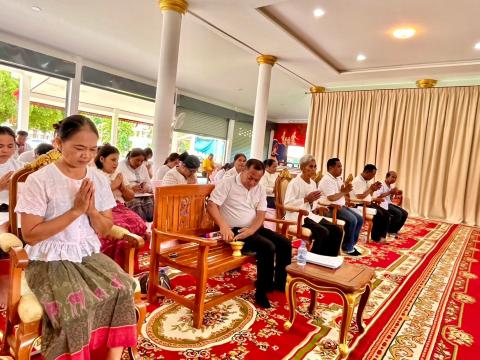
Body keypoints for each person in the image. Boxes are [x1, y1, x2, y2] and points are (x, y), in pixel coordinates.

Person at [15, 115, 137, 360]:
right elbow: (30, 234)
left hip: (86, 254)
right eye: (79, 148)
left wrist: (90, 210)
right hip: (49, 258)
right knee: (74, 308)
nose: (86, 156)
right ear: (58, 143)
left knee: (124, 288)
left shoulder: (98, 180)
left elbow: (104, 229)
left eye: (92, 149)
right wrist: (75, 211)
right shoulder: (40, 180)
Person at [207, 159, 292, 308]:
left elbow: (261, 213)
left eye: (256, 179)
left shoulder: (259, 188)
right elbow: (211, 204)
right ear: (244, 170)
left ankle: (278, 284)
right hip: (235, 231)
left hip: (253, 228)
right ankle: (262, 291)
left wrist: (252, 229)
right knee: (267, 247)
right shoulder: (228, 183)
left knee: (284, 243)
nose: (252, 182)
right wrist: (223, 226)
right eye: (250, 177)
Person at [95, 144, 147, 265]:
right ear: (102, 159)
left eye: (117, 160)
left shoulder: (118, 174)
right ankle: (113, 264)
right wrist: (114, 185)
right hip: (102, 209)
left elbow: (130, 196)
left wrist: (122, 186)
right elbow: (96, 197)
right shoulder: (94, 174)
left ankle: (129, 261)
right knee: (119, 228)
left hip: (119, 207)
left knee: (138, 223)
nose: (116, 163)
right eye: (113, 160)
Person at [284, 155, 343, 256]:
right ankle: (314, 259)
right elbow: (287, 204)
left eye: (315, 166)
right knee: (323, 232)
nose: (314, 169)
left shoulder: (312, 183)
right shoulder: (294, 183)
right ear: (302, 167)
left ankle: (329, 258)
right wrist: (306, 199)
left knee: (337, 230)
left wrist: (316, 205)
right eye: (310, 166)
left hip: (309, 215)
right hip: (298, 217)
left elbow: (313, 202)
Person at [318, 158, 363, 256]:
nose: (341, 169)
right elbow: (332, 198)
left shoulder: (338, 179)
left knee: (360, 218)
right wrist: (344, 192)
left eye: (341, 166)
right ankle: (348, 248)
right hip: (329, 208)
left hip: (340, 206)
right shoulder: (326, 180)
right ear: (331, 167)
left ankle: (351, 244)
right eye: (339, 166)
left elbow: (341, 193)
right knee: (353, 220)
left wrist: (345, 195)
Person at [351, 164, 390, 242]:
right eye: (372, 174)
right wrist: (370, 189)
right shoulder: (357, 181)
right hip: (359, 204)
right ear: (366, 172)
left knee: (386, 213)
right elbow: (360, 197)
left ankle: (382, 237)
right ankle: (376, 237)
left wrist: (373, 189)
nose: (373, 176)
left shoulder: (367, 180)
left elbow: (369, 195)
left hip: (368, 202)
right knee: (379, 214)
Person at [117, 148, 153, 222]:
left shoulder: (143, 167)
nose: (139, 163)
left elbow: (147, 182)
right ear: (130, 157)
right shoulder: (120, 166)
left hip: (141, 194)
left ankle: (149, 224)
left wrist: (146, 187)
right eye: (137, 160)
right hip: (127, 194)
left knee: (149, 201)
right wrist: (131, 188)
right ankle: (139, 226)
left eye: (142, 161)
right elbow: (119, 184)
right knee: (136, 204)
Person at [0, 127, 23, 232]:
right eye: (0, 146)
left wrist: (17, 188)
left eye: (10, 146)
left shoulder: (21, 167)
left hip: (14, 215)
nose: (5, 150)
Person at [374, 171, 408, 235]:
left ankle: (395, 230)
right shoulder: (380, 184)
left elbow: (390, 199)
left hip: (389, 203)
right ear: (387, 176)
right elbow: (378, 196)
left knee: (405, 213)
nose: (394, 179)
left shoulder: (390, 186)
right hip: (382, 204)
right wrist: (390, 192)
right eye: (392, 177)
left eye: (395, 178)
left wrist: (393, 194)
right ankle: (389, 230)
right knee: (398, 213)